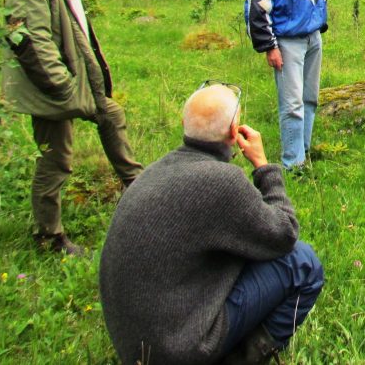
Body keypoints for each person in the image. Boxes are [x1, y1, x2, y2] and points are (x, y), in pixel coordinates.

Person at [100, 82, 324, 365]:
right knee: (302, 263)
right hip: (177, 350)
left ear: (184, 124)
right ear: (235, 132)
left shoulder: (152, 173)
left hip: (135, 346)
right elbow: (284, 234)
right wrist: (264, 166)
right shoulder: (222, 182)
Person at [0, 0, 142, 256]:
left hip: (70, 75)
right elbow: (26, 33)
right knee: (55, 157)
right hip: (52, 82)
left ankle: (139, 188)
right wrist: (60, 86)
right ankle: (49, 236)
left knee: (110, 115)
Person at [245, 0, 327, 170]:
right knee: (292, 103)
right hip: (287, 42)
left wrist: (320, 24)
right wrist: (269, 46)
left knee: (310, 98)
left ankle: (303, 151)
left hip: (313, 37)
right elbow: (257, 7)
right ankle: (293, 165)